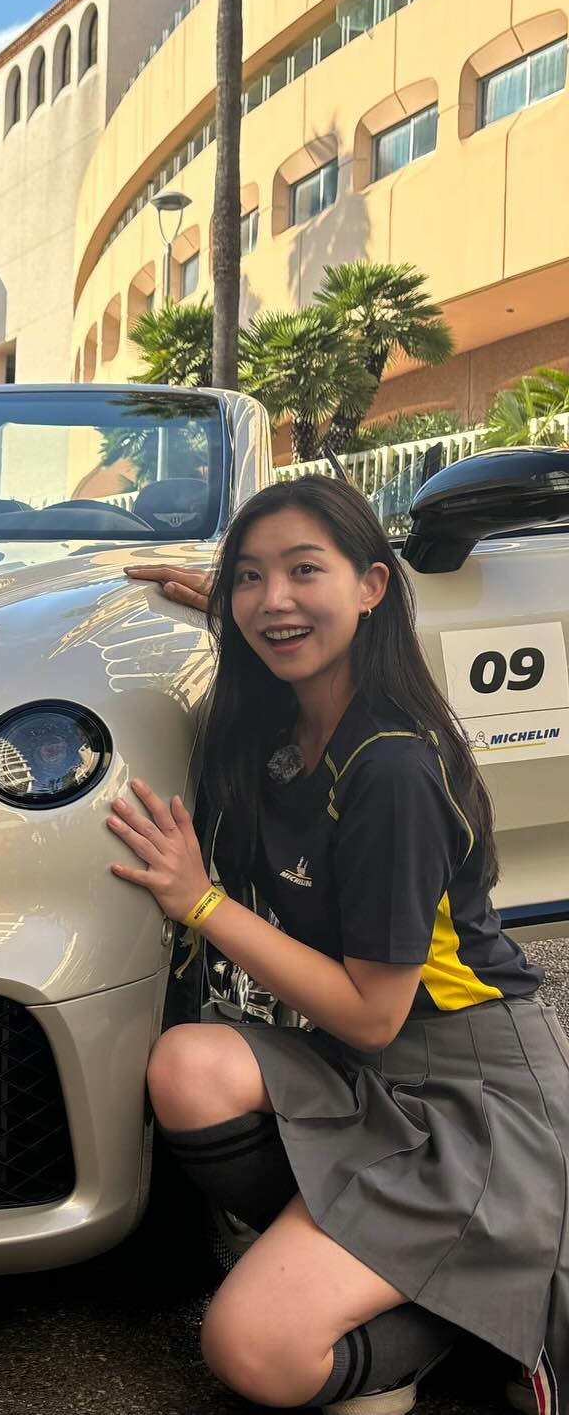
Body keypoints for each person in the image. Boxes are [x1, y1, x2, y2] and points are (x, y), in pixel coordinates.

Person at [111, 475, 567, 1415]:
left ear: (372, 585)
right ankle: (394, 1264)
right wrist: (238, 606)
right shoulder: (287, 722)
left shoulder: (391, 763)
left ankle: (487, 1318)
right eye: (250, 576)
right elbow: (270, 614)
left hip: (469, 1093)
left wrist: (201, 903)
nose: (272, 599)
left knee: (251, 1347)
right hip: (363, 1069)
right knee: (189, 1066)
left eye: (304, 571)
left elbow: (371, 1013)